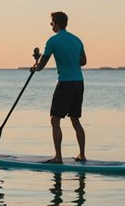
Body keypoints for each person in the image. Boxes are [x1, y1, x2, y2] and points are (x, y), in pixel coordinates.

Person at [31, 11, 87, 164]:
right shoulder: (77, 40)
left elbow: (41, 66)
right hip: (79, 82)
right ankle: (82, 155)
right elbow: (83, 61)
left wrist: (34, 66)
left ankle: (58, 157)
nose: (51, 25)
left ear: (56, 23)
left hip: (65, 83)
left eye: (51, 23)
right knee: (75, 120)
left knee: (55, 120)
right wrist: (70, 58)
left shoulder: (52, 41)